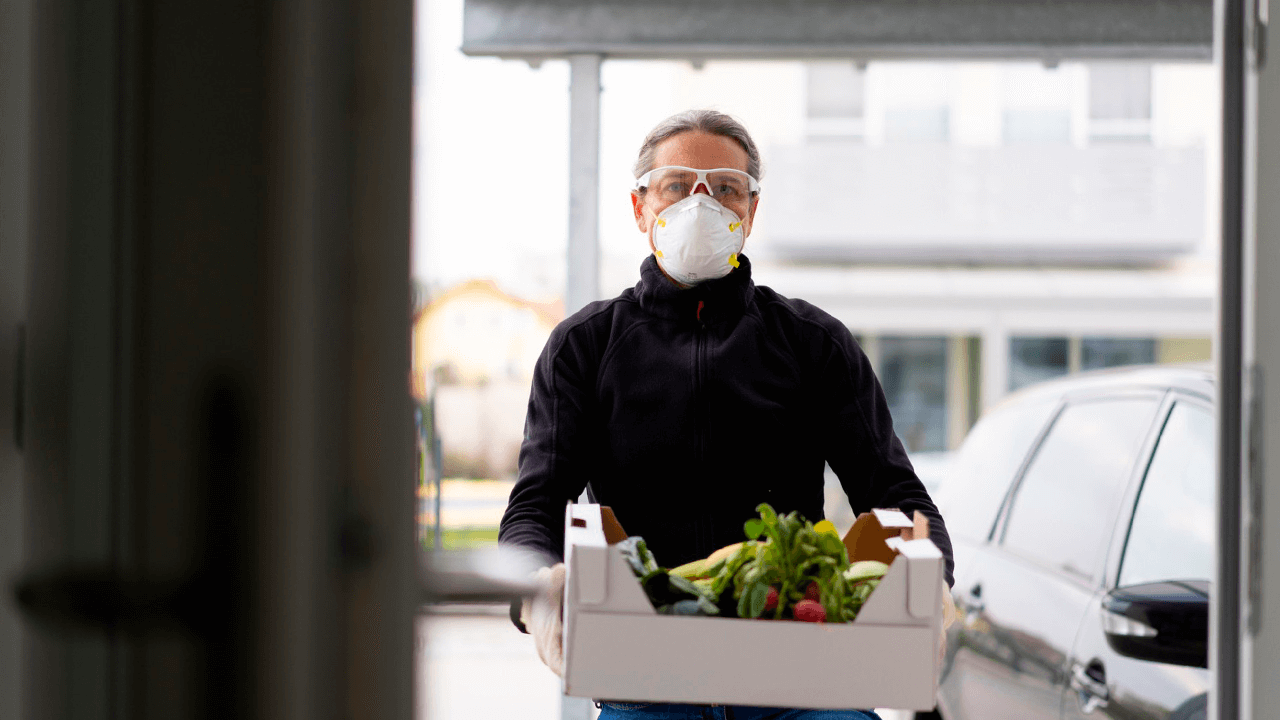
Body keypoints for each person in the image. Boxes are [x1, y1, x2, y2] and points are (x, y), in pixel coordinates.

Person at [499, 109, 954, 720]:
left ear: (751, 212)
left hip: (805, 677)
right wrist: (534, 589)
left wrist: (934, 582)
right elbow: (536, 502)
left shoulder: (812, 343)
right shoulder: (584, 345)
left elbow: (895, 493)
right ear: (640, 208)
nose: (702, 201)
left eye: (726, 187)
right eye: (678, 184)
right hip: (646, 676)